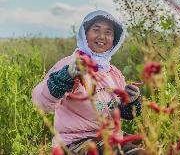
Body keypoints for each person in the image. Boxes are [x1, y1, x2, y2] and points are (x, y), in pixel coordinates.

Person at [32, 10, 144, 155]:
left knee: (151, 146)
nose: (102, 36)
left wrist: (131, 101)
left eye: (108, 32)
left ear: (114, 40)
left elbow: (123, 113)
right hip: (76, 142)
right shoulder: (69, 65)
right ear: (85, 34)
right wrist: (65, 77)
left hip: (110, 136)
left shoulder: (112, 72)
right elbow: (40, 102)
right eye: (96, 30)